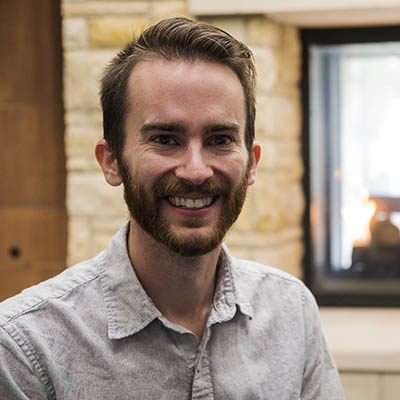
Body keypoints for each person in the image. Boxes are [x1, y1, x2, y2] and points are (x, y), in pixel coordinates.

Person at [0, 17, 344, 399]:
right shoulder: (24, 348)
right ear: (111, 161)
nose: (196, 171)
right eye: (165, 139)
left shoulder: (291, 310)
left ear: (252, 162)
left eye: (220, 139)